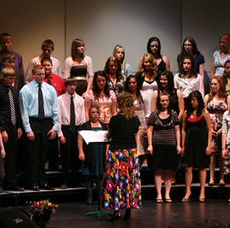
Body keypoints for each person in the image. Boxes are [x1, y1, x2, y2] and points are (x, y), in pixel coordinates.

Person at [19, 64, 60, 190]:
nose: (41, 76)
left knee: (43, 154)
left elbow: (55, 109)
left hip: (46, 122)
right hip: (33, 122)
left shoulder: (50, 89)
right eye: (39, 74)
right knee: (33, 155)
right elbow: (24, 112)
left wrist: (55, 127)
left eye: (43, 74)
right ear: (33, 74)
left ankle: (43, 181)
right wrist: (28, 129)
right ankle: (32, 182)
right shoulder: (25, 90)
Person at [103, 91, 142, 221]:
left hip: (117, 153)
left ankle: (116, 211)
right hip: (130, 153)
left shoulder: (115, 119)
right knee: (129, 181)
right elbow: (135, 133)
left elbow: (110, 135)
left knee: (116, 181)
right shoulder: (135, 119)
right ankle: (129, 208)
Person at [147, 92, 181, 203]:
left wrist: (179, 145)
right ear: (159, 102)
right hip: (157, 145)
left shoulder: (173, 114)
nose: (164, 102)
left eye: (166, 100)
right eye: (162, 100)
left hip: (170, 145)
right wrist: (150, 145)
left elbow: (177, 130)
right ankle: (159, 194)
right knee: (158, 170)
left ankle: (167, 194)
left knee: (168, 171)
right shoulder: (154, 114)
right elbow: (150, 130)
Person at [0, 67, 23, 191]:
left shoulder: (15, 91)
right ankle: (0, 183)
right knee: (3, 156)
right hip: (4, 126)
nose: (12, 80)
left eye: (13, 78)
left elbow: (17, 109)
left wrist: (19, 126)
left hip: (14, 126)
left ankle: (11, 182)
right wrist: (2, 129)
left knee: (13, 156)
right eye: (10, 78)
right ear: (4, 78)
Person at [181, 91, 212, 202]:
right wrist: (183, 145)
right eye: (191, 100)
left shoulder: (205, 113)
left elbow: (210, 130)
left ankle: (202, 190)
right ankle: (188, 191)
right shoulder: (186, 113)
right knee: (188, 167)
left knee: (202, 167)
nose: (192, 102)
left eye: (194, 100)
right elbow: (183, 130)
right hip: (190, 143)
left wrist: (209, 146)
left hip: (201, 143)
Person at [58, 78, 86, 188]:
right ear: (66, 86)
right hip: (66, 128)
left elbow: (82, 117)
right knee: (65, 156)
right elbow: (58, 117)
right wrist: (60, 134)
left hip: (77, 128)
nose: (72, 87)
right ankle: (64, 180)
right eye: (70, 85)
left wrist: (83, 132)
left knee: (76, 155)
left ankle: (75, 180)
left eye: (74, 85)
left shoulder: (80, 100)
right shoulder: (60, 99)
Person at [77, 105, 107, 204]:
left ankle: (99, 197)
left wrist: (107, 152)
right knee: (89, 175)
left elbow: (107, 141)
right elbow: (80, 140)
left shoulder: (103, 126)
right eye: (93, 112)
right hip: (89, 153)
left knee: (99, 175)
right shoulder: (85, 126)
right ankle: (89, 197)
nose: (95, 114)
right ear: (89, 114)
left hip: (100, 153)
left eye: (97, 112)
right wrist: (81, 152)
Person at [204, 76, 229, 186]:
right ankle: (212, 177)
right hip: (211, 127)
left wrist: (222, 129)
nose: (213, 86)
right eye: (212, 84)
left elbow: (229, 113)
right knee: (212, 153)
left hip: (223, 126)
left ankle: (222, 177)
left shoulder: (226, 97)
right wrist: (210, 128)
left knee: (221, 153)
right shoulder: (207, 97)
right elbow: (205, 113)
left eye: (215, 84)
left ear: (220, 85)